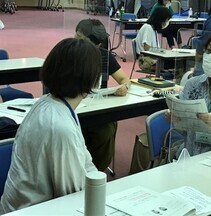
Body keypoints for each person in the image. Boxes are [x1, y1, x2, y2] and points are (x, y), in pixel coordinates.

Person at [0, 38, 101, 213]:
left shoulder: (51, 103)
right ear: (91, 79)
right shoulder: (60, 126)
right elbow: (72, 197)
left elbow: (86, 162)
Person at [75, 19, 131, 171]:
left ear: (97, 45)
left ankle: (95, 172)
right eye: (76, 36)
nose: (76, 41)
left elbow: (124, 79)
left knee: (106, 130)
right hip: (73, 108)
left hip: (98, 108)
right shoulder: (69, 54)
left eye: (81, 39)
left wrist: (124, 87)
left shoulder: (104, 57)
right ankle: (76, 172)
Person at [135, 7, 172, 71]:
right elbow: (147, 50)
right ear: (160, 19)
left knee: (175, 63)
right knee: (177, 64)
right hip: (146, 61)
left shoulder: (153, 29)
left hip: (152, 58)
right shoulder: (148, 28)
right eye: (166, 20)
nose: (166, 23)